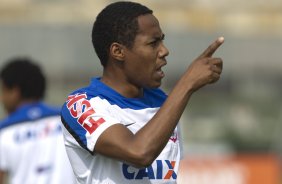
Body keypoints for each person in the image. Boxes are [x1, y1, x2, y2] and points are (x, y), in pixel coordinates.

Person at [60, 1, 224, 184]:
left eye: (162, 40)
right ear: (118, 51)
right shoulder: (82, 105)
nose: (164, 51)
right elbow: (138, 153)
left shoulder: (164, 102)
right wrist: (186, 84)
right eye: (153, 43)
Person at [0, 58, 76, 184]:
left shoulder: (4, 131)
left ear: (15, 92)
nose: (2, 98)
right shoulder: (68, 121)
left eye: (3, 91)